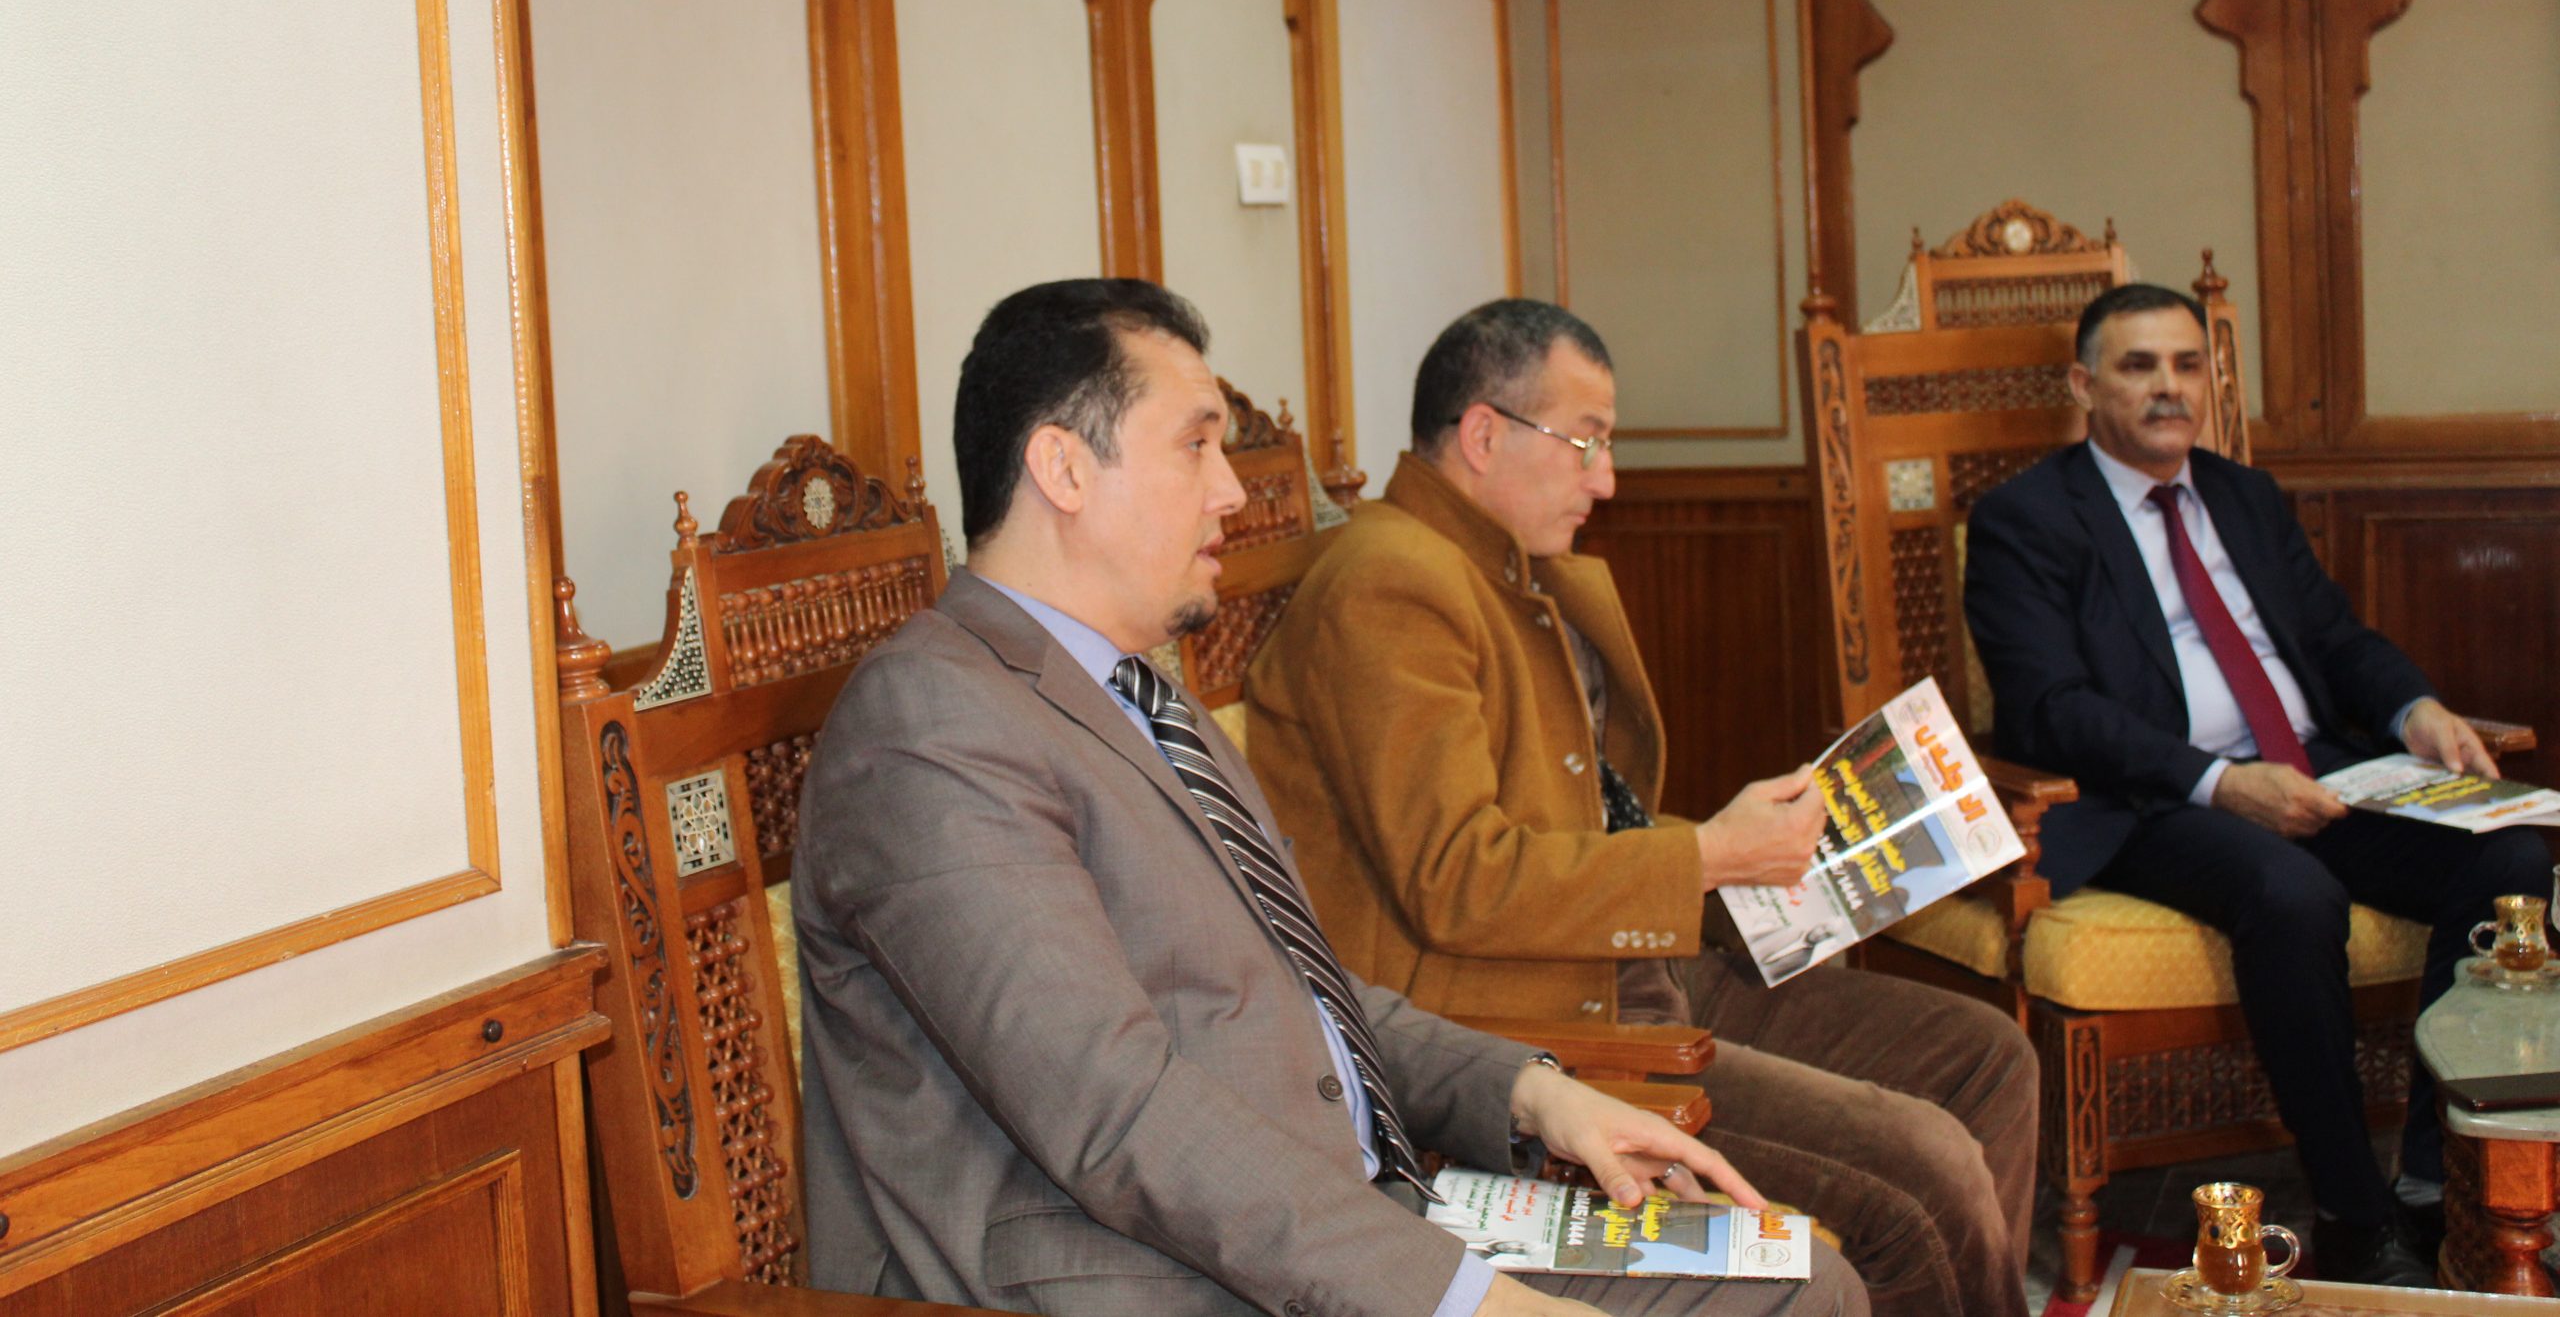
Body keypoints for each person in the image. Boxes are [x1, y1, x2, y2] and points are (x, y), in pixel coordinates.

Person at [793, 279, 1867, 1317]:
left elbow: (1301, 987)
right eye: (1195, 445)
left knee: (1795, 1274)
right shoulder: (933, 726)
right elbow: (1114, 1109)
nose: (1230, 490)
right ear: (1063, 468)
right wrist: (1464, 1300)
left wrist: (1529, 1092)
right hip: (1140, 1273)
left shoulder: (1137, 693)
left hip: (1321, 1223)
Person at [1246, 299, 2037, 1317]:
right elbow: (1458, 880)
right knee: (1924, 1168)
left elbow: (1581, 826)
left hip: (1631, 960)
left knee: (1986, 1057)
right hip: (1533, 1017)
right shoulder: (1391, 584)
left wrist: (1759, 853)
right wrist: (1707, 858)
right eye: (1587, 442)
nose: (1607, 480)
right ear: (1483, 434)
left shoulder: (1503, 569)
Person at [1962, 282, 2551, 1289]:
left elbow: (2333, 637)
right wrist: (2220, 783)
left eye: (2187, 365)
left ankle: (2429, 1176)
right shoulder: (2026, 519)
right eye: (2139, 366)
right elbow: (2050, 710)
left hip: (2312, 763)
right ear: (2084, 385)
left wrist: (2414, 709)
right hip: (2148, 798)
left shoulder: (2243, 495)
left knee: (2507, 858)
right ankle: (2354, 1214)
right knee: (2291, 891)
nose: (2168, 387)